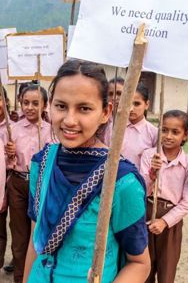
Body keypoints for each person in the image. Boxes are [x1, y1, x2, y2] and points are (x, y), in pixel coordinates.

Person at [23, 60, 150, 283]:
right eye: (61, 106)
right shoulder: (41, 163)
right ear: (50, 105)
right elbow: (36, 241)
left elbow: (139, 263)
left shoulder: (122, 180)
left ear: (105, 112)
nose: (70, 120)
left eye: (84, 108)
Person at [4, 84, 51, 283]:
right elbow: (6, 164)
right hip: (18, 183)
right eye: (25, 103)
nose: (30, 107)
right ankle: (19, 277)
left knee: (40, 232)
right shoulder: (11, 129)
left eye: (35, 103)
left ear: (45, 105)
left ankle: (39, 276)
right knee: (19, 234)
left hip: (42, 184)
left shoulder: (51, 131)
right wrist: (10, 155)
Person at [140, 110, 188, 283]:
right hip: (147, 212)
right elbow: (141, 189)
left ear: (185, 136)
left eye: (175, 132)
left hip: (171, 221)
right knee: (144, 267)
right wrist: (152, 174)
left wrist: (164, 222)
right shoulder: (149, 155)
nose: (168, 136)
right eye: (164, 130)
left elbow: (187, 202)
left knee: (167, 268)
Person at [121, 82, 158, 170]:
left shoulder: (154, 133)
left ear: (147, 104)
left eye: (136, 104)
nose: (131, 109)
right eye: (128, 103)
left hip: (139, 181)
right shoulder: (113, 128)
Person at [0, 87, 14, 272]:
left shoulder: (13, 126)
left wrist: (11, 153)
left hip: (12, 181)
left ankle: (17, 260)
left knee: (18, 227)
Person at [102, 76, 124, 146]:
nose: (114, 98)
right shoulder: (101, 119)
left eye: (119, 93)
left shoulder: (132, 122)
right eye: (110, 94)